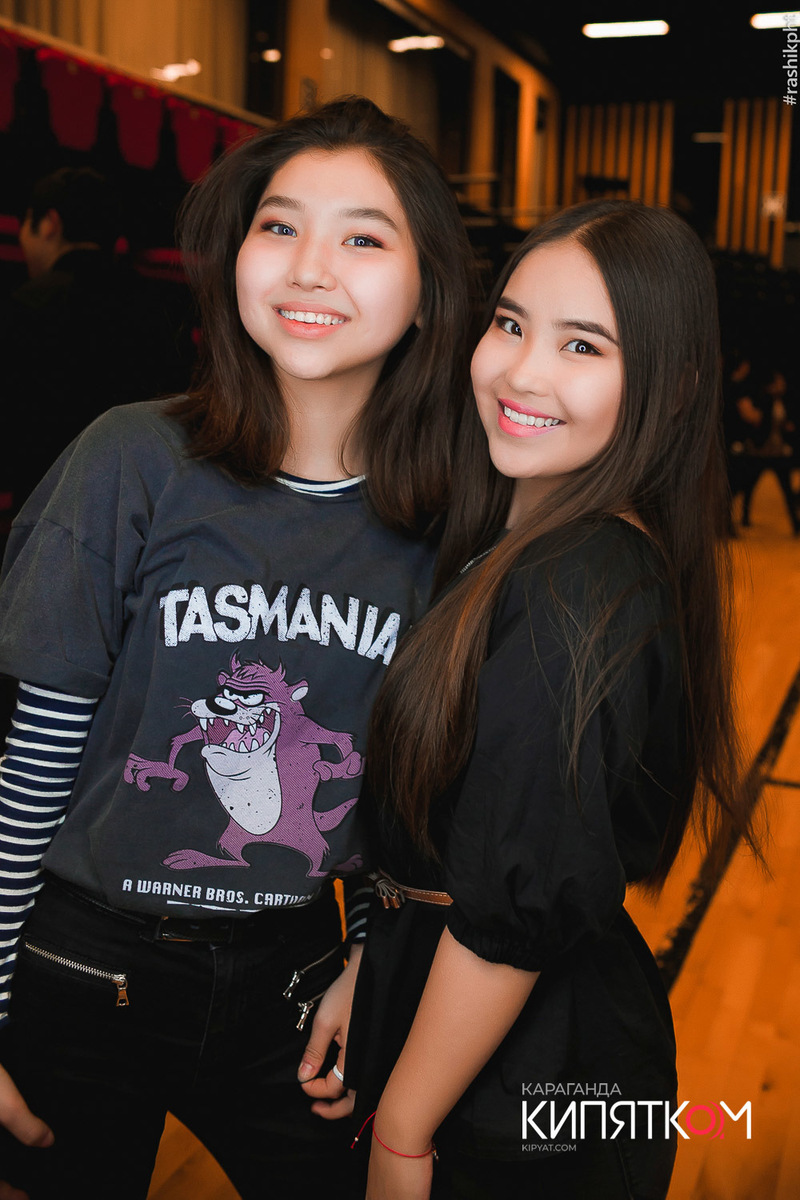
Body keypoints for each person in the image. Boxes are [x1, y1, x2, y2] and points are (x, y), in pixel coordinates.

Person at [0, 96, 472, 1200]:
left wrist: (371, 959)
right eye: (279, 225)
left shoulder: (446, 523)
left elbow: (416, 793)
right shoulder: (130, 460)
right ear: (233, 254)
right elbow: (31, 764)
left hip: (297, 975)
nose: (310, 266)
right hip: (83, 963)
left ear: (426, 292)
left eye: (363, 238)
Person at [346, 199, 760, 1200]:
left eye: (582, 345)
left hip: (524, 1093)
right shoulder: (537, 541)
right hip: (476, 1025)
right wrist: (372, 971)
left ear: (670, 390)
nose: (521, 372)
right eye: (509, 323)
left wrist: (403, 1131)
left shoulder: (579, 586)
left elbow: (512, 913)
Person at [0, 167, 194, 523]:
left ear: (50, 224)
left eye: (26, 224)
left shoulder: (27, 305)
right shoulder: (157, 307)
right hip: (143, 512)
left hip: (44, 510)